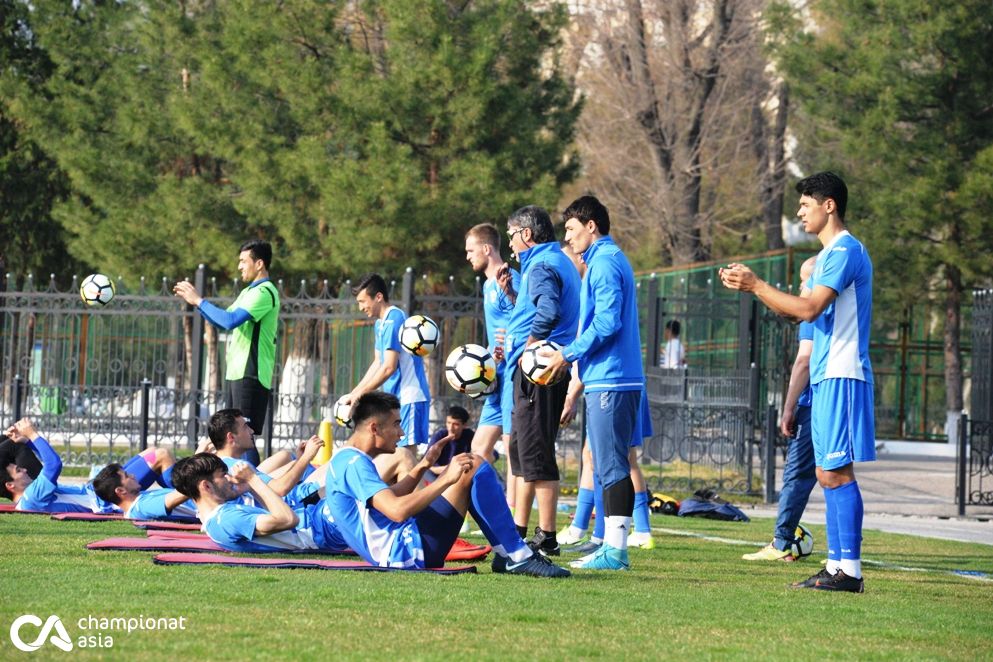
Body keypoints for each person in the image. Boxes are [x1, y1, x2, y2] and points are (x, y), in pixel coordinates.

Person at [720, 171, 874, 593]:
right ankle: (836, 566)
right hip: (825, 377)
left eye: (805, 203)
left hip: (842, 373)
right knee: (826, 476)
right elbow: (799, 312)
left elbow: (808, 309)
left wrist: (757, 283)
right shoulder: (825, 258)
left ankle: (851, 571)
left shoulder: (845, 250)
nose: (799, 211)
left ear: (829, 206)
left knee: (837, 473)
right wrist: (751, 289)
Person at [326, 391, 570, 576]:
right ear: (374, 428)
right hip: (405, 552)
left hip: (400, 548)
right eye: (396, 424)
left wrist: (423, 465)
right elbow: (397, 511)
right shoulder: (354, 464)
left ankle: (508, 553)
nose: (401, 433)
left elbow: (386, 498)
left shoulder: (346, 458)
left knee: (467, 465)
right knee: (472, 464)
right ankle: (515, 554)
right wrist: (446, 480)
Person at [543, 195, 645, 570]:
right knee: (606, 462)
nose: (567, 238)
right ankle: (610, 544)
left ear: (591, 226)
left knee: (612, 463)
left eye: (571, 229)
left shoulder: (603, 263)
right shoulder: (608, 259)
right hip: (614, 377)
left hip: (612, 380)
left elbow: (607, 323)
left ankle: (616, 551)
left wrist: (566, 353)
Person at [498, 205, 581, 556]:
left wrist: (529, 346)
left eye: (511, 235)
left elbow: (548, 310)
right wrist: (513, 298)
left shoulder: (543, 264)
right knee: (521, 447)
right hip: (539, 368)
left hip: (540, 370)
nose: (511, 243)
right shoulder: (549, 261)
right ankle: (519, 529)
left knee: (536, 451)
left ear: (527, 235)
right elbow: (539, 305)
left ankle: (546, 538)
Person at [173, 239, 280, 467]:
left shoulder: (265, 292)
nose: (240, 266)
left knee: (244, 436)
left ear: (259, 264)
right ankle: (238, 486)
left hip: (251, 373)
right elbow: (222, 321)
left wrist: (198, 300)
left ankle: (255, 492)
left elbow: (230, 321)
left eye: (243, 261)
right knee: (233, 437)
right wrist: (196, 304)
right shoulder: (248, 292)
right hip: (237, 373)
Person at [743, 256, 818, 561]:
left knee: (798, 475)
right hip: (831, 400)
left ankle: (782, 541)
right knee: (835, 476)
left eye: (805, 279)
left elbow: (804, 361)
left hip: (814, 403)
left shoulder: (814, 314)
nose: (801, 286)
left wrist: (788, 408)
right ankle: (843, 553)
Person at [343, 273, 431, 484]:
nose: (361, 307)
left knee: (407, 458)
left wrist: (361, 394)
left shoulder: (395, 318)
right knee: (392, 455)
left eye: (363, 301)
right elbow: (377, 363)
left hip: (410, 396)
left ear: (379, 297)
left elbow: (389, 367)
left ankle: (414, 511)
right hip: (396, 400)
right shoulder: (379, 324)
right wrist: (356, 392)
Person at [171, 452, 350, 554]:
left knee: (346, 465)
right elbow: (289, 520)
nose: (228, 479)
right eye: (222, 476)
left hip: (316, 518)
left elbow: (278, 516)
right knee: (356, 467)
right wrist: (253, 479)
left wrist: (250, 488)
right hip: (322, 529)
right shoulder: (228, 518)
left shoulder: (217, 516)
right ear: (207, 486)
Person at [1, 418, 174, 513]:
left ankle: (180, 489)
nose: (23, 469)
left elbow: (50, 465)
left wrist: (28, 442)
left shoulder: (30, 498)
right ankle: (188, 489)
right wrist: (32, 434)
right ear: (10, 485)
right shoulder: (31, 498)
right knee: (160, 456)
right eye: (18, 471)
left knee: (152, 452)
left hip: (97, 491)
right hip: (106, 500)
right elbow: (53, 465)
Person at [464, 222, 522, 506]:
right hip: (495, 377)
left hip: (513, 375)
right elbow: (499, 330)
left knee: (512, 450)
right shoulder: (488, 284)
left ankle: (513, 521)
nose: (467, 256)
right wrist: (489, 356)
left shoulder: (509, 277)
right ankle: (484, 508)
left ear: (486, 249)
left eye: (470, 250)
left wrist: (508, 341)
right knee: (478, 448)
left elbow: (529, 315)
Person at [205, 408, 323, 508]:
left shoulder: (217, 464)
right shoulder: (238, 467)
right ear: (231, 437)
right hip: (294, 507)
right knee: (335, 467)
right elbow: (281, 489)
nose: (251, 431)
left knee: (290, 459)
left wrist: (300, 460)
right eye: (245, 427)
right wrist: (307, 456)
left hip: (287, 505)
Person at [92, 465, 197, 520]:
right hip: (207, 502)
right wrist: (199, 476)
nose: (132, 475)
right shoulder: (140, 507)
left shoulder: (140, 498)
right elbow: (181, 494)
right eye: (127, 476)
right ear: (121, 491)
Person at [425, 406, 475, 479]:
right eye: (448, 423)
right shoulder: (439, 436)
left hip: (460, 476)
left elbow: (490, 453)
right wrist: (451, 469)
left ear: (464, 425)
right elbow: (429, 465)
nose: (450, 428)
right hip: (436, 476)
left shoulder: (469, 436)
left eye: (456, 424)